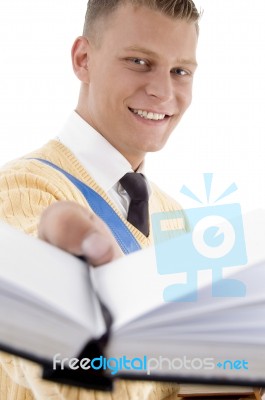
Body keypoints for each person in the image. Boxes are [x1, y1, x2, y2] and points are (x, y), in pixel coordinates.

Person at [0, 0, 200, 399]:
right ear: (83, 59)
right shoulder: (19, 191)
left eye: (180, 71)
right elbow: (44, 361)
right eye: (139, 61)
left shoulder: (177, 219)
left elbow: (185, 382)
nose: (163, 91)